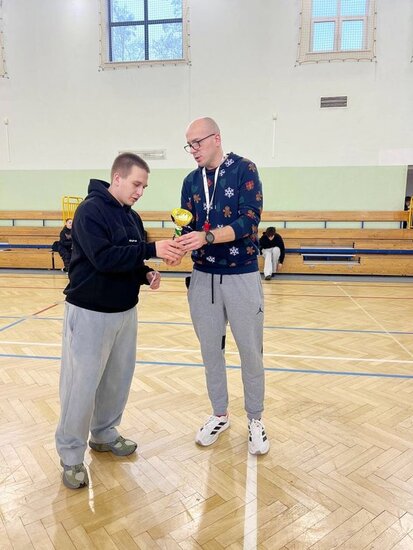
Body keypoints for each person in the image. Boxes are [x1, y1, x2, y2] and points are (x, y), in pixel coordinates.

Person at [55, 152, 184, 489]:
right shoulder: (90, 211)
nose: (140, 191)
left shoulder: (132, 217)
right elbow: (103, 258)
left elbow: (130, 259)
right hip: (90, 312)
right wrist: (152, 249)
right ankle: (71, 455)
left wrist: (145, 273)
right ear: (117, 178)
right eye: (136, 184)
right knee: (80, 387)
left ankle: (103, 433)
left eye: (144, 187)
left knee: (116, 380)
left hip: (125, 312)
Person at [176, 117, 269, 455]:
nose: (193, 150)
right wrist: (179, 246)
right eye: (189, 145)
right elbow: (185, 224)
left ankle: (255, 418)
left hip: (242, 274)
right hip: (203, 277)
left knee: (250, 352)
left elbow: (249, 221)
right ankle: (219, 413)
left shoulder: (245, 169)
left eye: (197, 143)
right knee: (210, 352)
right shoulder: (190, 181)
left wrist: (209, 237)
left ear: (216, 138)